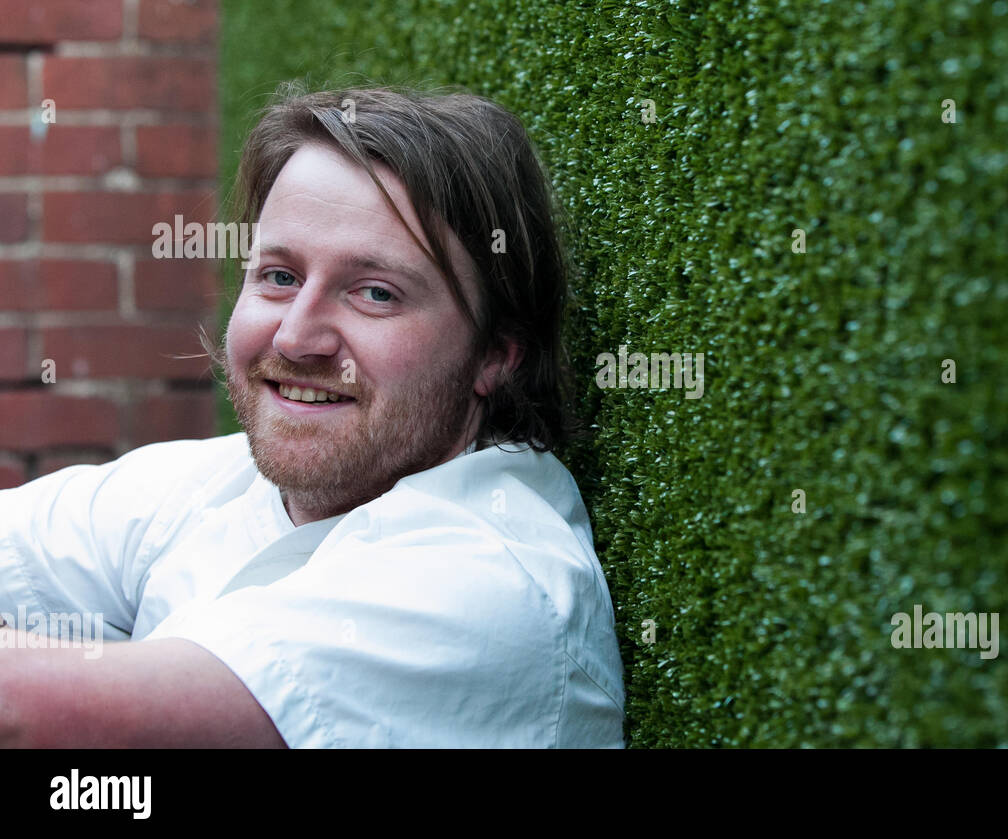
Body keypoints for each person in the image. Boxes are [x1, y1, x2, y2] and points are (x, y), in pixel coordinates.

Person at [0, 85, 625, 748]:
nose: (297, 338)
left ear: (494, 355)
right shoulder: (217, 484)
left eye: (376, 292)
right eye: (279, 276)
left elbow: (28, 714)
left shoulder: (489, 580)